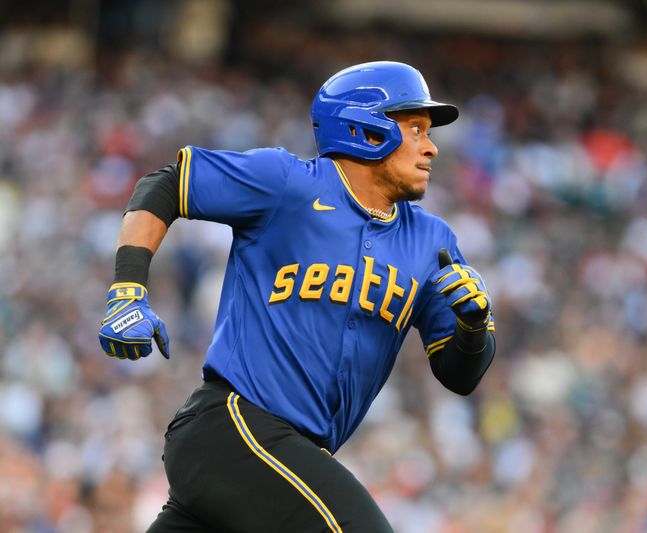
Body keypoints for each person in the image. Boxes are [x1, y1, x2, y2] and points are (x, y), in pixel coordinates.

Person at [98, 61, 496, 532]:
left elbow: (459, 376)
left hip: (282, 463)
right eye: (415, 129)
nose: (431, 147)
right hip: (233, 430)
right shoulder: (287, 183)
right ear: (367, 128)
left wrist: (472, 329)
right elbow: (166, 184)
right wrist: (128, 289)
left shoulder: (432, 242)